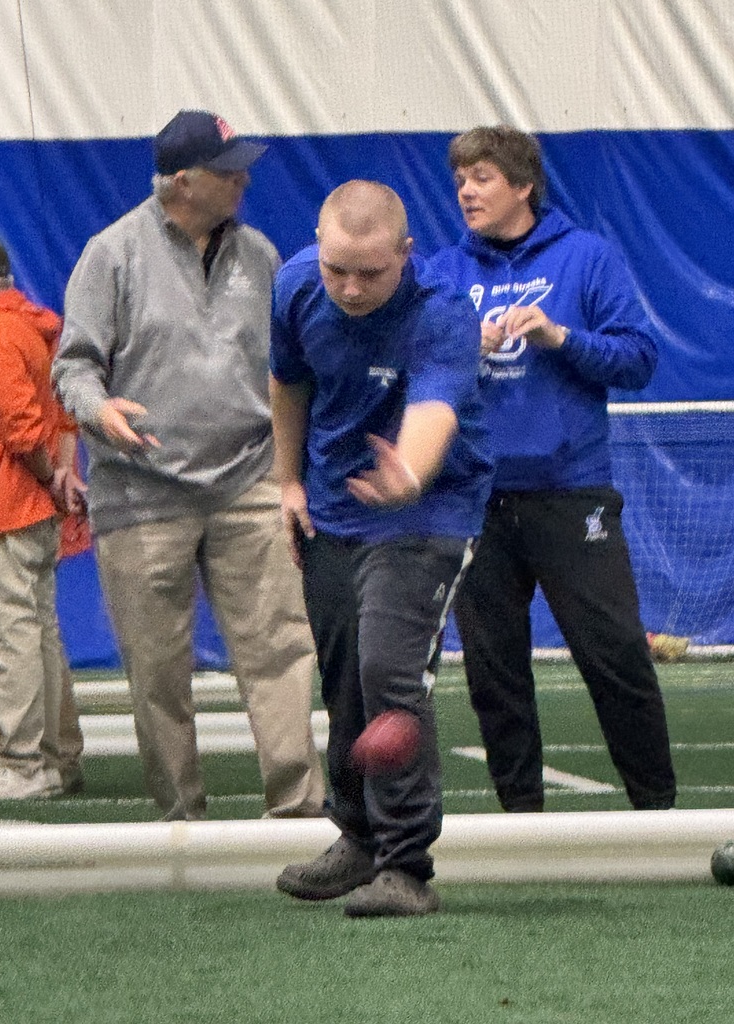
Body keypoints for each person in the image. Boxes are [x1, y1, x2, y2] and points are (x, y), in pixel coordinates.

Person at [52, 109, 325, 822]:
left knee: (280, 646)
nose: (243, 178)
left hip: (247, 482)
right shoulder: (110, 255)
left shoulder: (260, 254)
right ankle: (182, 815)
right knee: (157, 669)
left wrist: (290, 472)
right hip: (141, 494)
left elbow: (287, 365)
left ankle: (297, 806)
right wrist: (98, 410)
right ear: (181, 181)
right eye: (227, 168)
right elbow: (72, 366)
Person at [428, 125, 677, 813]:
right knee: (493, 672)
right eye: (459, 182)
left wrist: (559, 337)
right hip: (475, 498)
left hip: (572, 494)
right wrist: (459, 346)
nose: (466, 192)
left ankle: (658, 810)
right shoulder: (445, 273)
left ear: (523, 185)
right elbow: (413, 374)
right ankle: (521, 818)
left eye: (481, 178)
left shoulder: (587, 260)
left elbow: (638, 359)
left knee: (616, 655)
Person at [270, 181, 493, 916]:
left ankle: (406, 866)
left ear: (406, 252)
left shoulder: (442, 312)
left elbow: (434, 407)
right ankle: (357, 839)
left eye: (370, 272)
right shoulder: (296, 285)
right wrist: (288, 482)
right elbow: (288, 381)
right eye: (337, 269)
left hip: (427, 513)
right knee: (342, 682)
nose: (350, 287)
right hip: (332, 511)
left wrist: (409, 472)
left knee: (388, 674)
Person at [0, 226, 86, 800]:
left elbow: (21, 429)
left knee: (7, 638)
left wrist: (45, 475)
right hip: (31, 512)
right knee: (40, 637)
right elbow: (62, 416)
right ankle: (57, 757)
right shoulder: (33, 328)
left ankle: (21, 763)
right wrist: (60, 480)